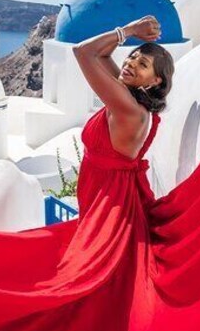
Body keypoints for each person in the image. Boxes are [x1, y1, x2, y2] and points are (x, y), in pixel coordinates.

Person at [72, 15, 175, 217]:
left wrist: (130, 30)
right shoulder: (129, 96)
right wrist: (129, 34)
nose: (131, 63)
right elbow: (101, 57)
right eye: (132, 56)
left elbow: (83, 52)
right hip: (101, 194)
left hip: (109, 203)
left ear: (155, 80)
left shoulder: (128, 108)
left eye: (143, 64)